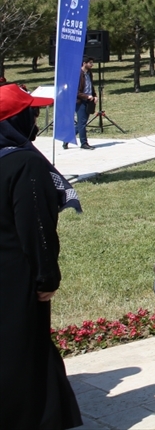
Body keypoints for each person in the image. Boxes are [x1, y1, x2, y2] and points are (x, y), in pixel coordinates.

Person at [0, 84, 82, 430]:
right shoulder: (25, 163)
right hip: (17, 276)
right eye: (31, 112)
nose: (36, 118)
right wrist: (47, 278)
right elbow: (36, 229)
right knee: (22, 351)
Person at [65, 56, 96, 150]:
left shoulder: (89, 73)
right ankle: (84, 143)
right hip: (80, 101)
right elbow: (75, 91)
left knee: (82, 123)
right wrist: (86, 96)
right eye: (90, 62)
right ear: (84, 63)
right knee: (82, 123)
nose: (92, 64)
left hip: (89, 100)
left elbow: (91, 86)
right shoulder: (77, 74)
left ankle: (66, 139)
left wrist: (94, 96)